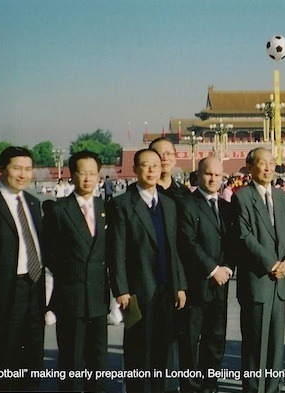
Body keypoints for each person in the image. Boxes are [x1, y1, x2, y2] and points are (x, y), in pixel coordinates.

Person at [108, 148, 187, 393]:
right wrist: (121, 290)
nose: (152, 170)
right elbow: (116, 251)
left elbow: (174, 249)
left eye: (156, 165)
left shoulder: (169, 204)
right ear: (135, 169)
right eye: (145, 165)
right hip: (137, 291)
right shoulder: (122, 204)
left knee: (163, 350)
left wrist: (180, 285)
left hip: (165, 289)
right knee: (138, 351)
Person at [0, 146, 45, 391]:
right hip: (1, 293)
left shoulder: (33, 203)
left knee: (33, 357)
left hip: (33, 289)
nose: (23, 174)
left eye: (27, 169)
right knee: (3, 359)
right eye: (16, 168)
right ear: (2, 170)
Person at [233, 147, 285, 393]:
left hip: (281, 281)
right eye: (262, 163)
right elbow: (244, 236)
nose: (268, 168)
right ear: (250, 168)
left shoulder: (283, 198)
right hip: (258, 279)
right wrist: (271, 263)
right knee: (255, 342)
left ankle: (272, 388)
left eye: (271, 163)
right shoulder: (241, 197)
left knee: (275, 342)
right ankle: (253, 388)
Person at [42, 150, 111, 392]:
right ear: (72, 175)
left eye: (93, 173)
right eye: (82, 173)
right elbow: (50, 254)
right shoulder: (60, 210)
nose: (88, 178)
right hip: (71, 296)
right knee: (71, 361)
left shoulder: (106, 208)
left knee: (98, 360)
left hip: (99, 298)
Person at [177, 156, 237, 393]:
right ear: (199, 176)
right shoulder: (187, 204)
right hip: (197, 283)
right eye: (208, 174)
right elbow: (187, 242)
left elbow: (233, 243)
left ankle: (210, 385)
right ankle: (191, 387)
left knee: (215, 339)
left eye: (217, 175)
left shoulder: (227, 207)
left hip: (220, 284)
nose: (213, 179)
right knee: (191, 340)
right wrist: (213, 269)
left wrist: (227, 268)